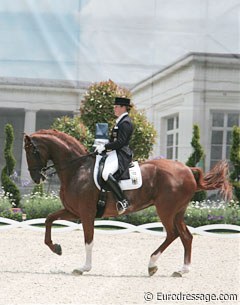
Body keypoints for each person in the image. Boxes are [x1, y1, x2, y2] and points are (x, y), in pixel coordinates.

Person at [95, 97, 134, 214]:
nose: (114, 109)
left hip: (121, 154)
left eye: (116, 107)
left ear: (123, 107)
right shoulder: (120, 121)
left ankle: (123, 200)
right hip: (114, 152)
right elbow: (114, 140)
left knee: (106, 173)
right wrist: (102, 146)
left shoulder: (126, 122)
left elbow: (121, 142)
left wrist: (105, 147)